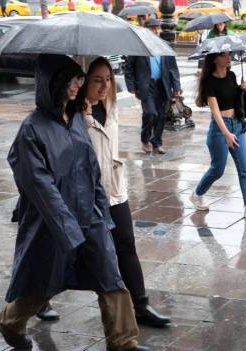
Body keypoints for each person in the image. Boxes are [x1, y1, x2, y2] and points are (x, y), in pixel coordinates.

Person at [0, 54, 149, 351]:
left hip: (89, 216)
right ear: (53, 85)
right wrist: (68, 228)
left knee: (110, 276)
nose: (78, 86)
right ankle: (10, 322)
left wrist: (101, 212)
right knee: (44, 282)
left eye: (79, 80)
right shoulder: (32, 130)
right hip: (52, 226)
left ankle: (123, 343)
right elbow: (41, 188)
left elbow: (92, 168)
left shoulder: (76, 118)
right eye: (72, 81)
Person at [37, 57, 171, 328]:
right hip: (81, 194)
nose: (104, 86)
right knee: (64, 250)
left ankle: (141, 305)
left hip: (114, 188)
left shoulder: (111, 106)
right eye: (97, 80)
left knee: (126, 244)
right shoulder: (71, 113)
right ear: (83, 81)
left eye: (108, 80)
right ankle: (38, 299)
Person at [190, 51, 246, 218]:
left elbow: (239, 103)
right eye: (224, 55)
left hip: (237, 126)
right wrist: (226, 133)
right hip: (219, 130)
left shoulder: (231, 75)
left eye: (229, 54)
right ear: (215, 59)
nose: (228, 57)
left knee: (245, 169)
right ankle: (197, 194)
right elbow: (215, 111)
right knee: (218, 170)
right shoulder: (210, 82)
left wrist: (244, 90)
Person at [124, 19, 182, 155]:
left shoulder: (165, 46)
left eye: (157, 28)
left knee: (161, 116)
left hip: (162, 85)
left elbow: (173, 68)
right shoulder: (138, 47)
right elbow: (129, 68)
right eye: (152, 28)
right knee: (151, 113)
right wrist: (131, 85)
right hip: (145, 86)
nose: (155, 31)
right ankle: (145, 140)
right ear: (146, 30)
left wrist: (176, 86)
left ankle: (157, 142)